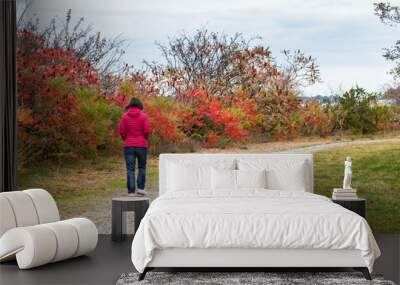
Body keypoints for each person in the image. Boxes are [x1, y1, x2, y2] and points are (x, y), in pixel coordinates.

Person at [119, 97, 150, 196]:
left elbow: (122, 131)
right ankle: (140, 189)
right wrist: (143, 138)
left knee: (130, 169)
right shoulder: (144, 117)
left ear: (130, 105)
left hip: (129, 145)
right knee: (142, 167)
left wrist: (127, 139)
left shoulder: (124, 116)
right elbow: (146, 131)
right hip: (141, 145)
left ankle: (131, 192)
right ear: (140, 105)